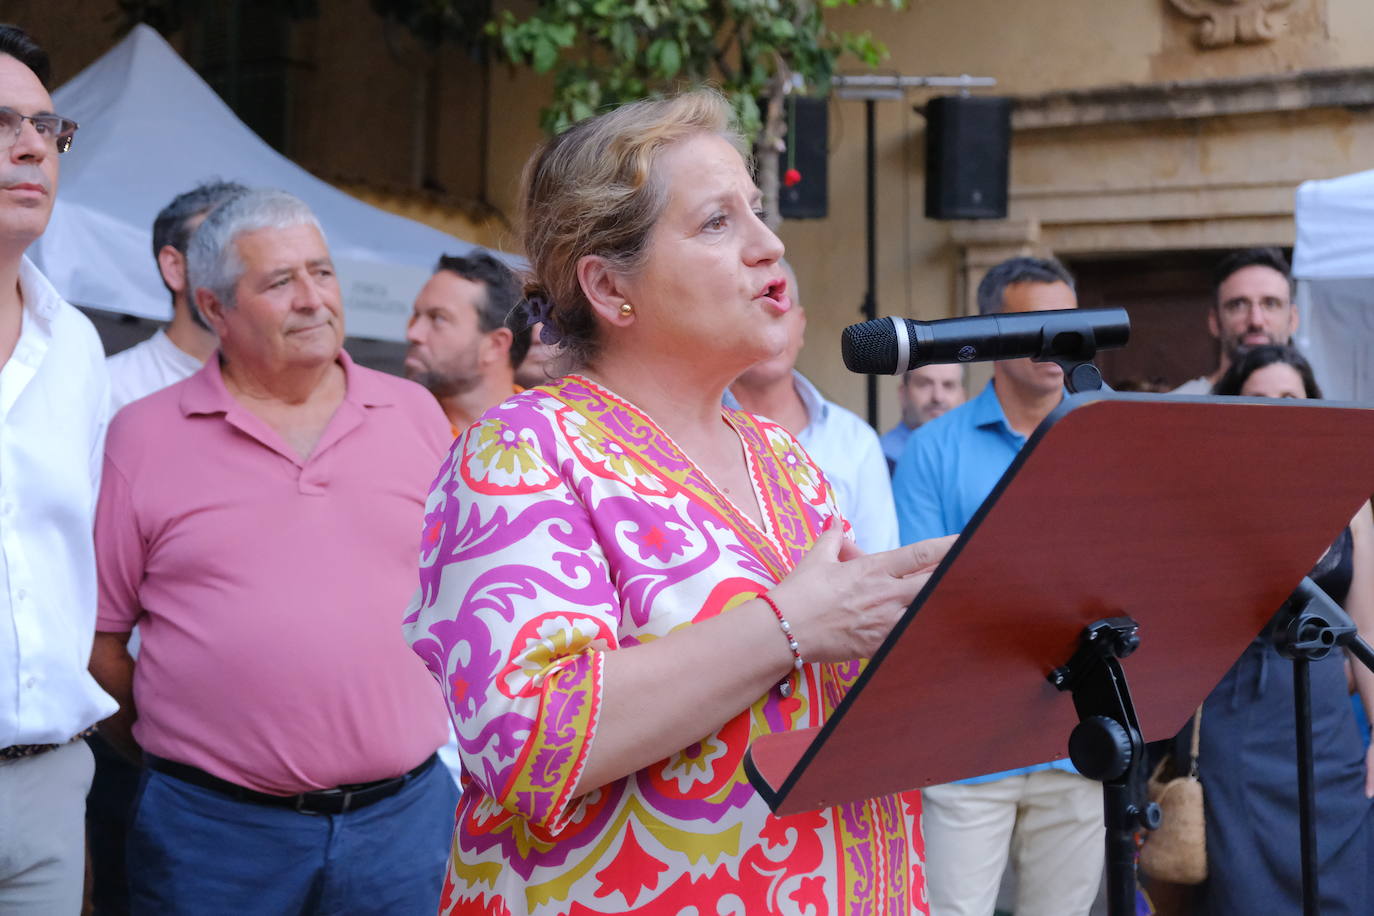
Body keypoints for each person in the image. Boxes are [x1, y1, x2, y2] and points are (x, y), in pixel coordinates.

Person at [403, 90, 954, 916]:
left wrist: (944, 621)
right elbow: (524, 740)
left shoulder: (782, 457)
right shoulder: (524, 449)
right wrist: (788, 624)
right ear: (608, 285)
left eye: (757, 212)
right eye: (717, 223)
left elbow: (825, 676)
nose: (769, 245)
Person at [88, 189, 458, 914]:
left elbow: (463, 596)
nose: (313, 299)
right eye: (280, 281)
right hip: (214, 839)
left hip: (404, 824)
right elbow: (100, 642)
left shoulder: (413, 412)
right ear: (214, 307)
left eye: (322, 272)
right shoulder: (143, 434)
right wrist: (181, 755)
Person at [892, 256, 1105, 916]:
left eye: (1071, 319)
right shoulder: (932, 449)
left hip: (1076, 736)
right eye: (1040, 321)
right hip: (968, 739)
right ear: (991, 332)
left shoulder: (1106, 436)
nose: (1061, 336)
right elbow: (925, 597)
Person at [1173, 344, 1374, 915]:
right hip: (1238, 716)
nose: (1276, 409)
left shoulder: (1348, 494)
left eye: (1290, 397)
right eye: (1257, 398)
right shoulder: (1200, 500)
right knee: (1248, 895)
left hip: (1328, 725)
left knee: (1344, 889)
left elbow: (1367, 626)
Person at [0, 23, 115, 915]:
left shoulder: (75, 345)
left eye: (46, 126)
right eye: (0, 124)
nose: (33, 145)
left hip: (46, 783)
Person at [726, 262, 899, 553]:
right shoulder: (689, 431)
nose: (769, 329)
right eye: (754, 308)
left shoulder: (855, 440)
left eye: (779, 307)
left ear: (801, 323)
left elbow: (877, 564)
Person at [106, 179, 247, 413]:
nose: (246, 269)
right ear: (175, 268)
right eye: (225, 252)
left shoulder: (291, 382)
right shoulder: (113, 389)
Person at [404, 251, 531, 435]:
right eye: (416, 315)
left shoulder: (551, 436)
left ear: (495, 345)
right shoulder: (392, 426)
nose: (413, 333)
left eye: (438, 318)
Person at [1174, 248, 1297, 394]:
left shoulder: (1317, 405)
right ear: (1214, 321)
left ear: (1293, 319)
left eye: (1270, 304)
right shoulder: (1175, 405)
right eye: (1238, 305)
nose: (1256, 321)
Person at [880, 364, 967, 472]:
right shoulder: (879, 461)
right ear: (902, 393)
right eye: (924, 384)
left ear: (964, 396)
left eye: (948, 385)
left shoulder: (976, 457)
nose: (938, 397)